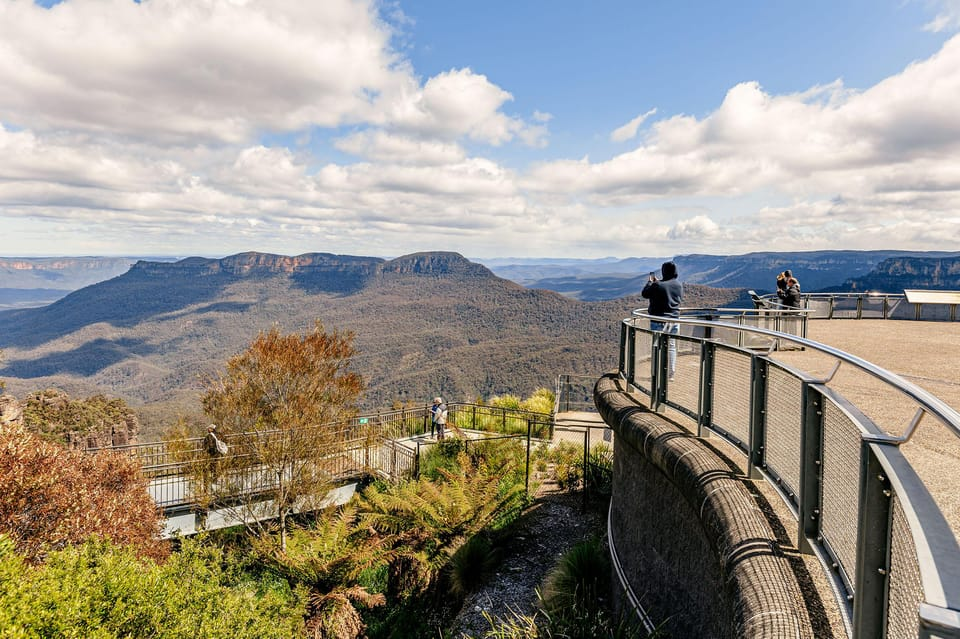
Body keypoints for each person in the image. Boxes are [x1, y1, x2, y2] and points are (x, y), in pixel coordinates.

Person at [641, 261, 683, 379]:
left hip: (658, 321)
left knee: (657, 346)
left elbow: (645, 294)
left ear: (664, 271)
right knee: (671, 346)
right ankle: (670, 374)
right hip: (675, 321)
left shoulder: (657, 285)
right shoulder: (679, 285)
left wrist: (650, 282)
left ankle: (657, 373)